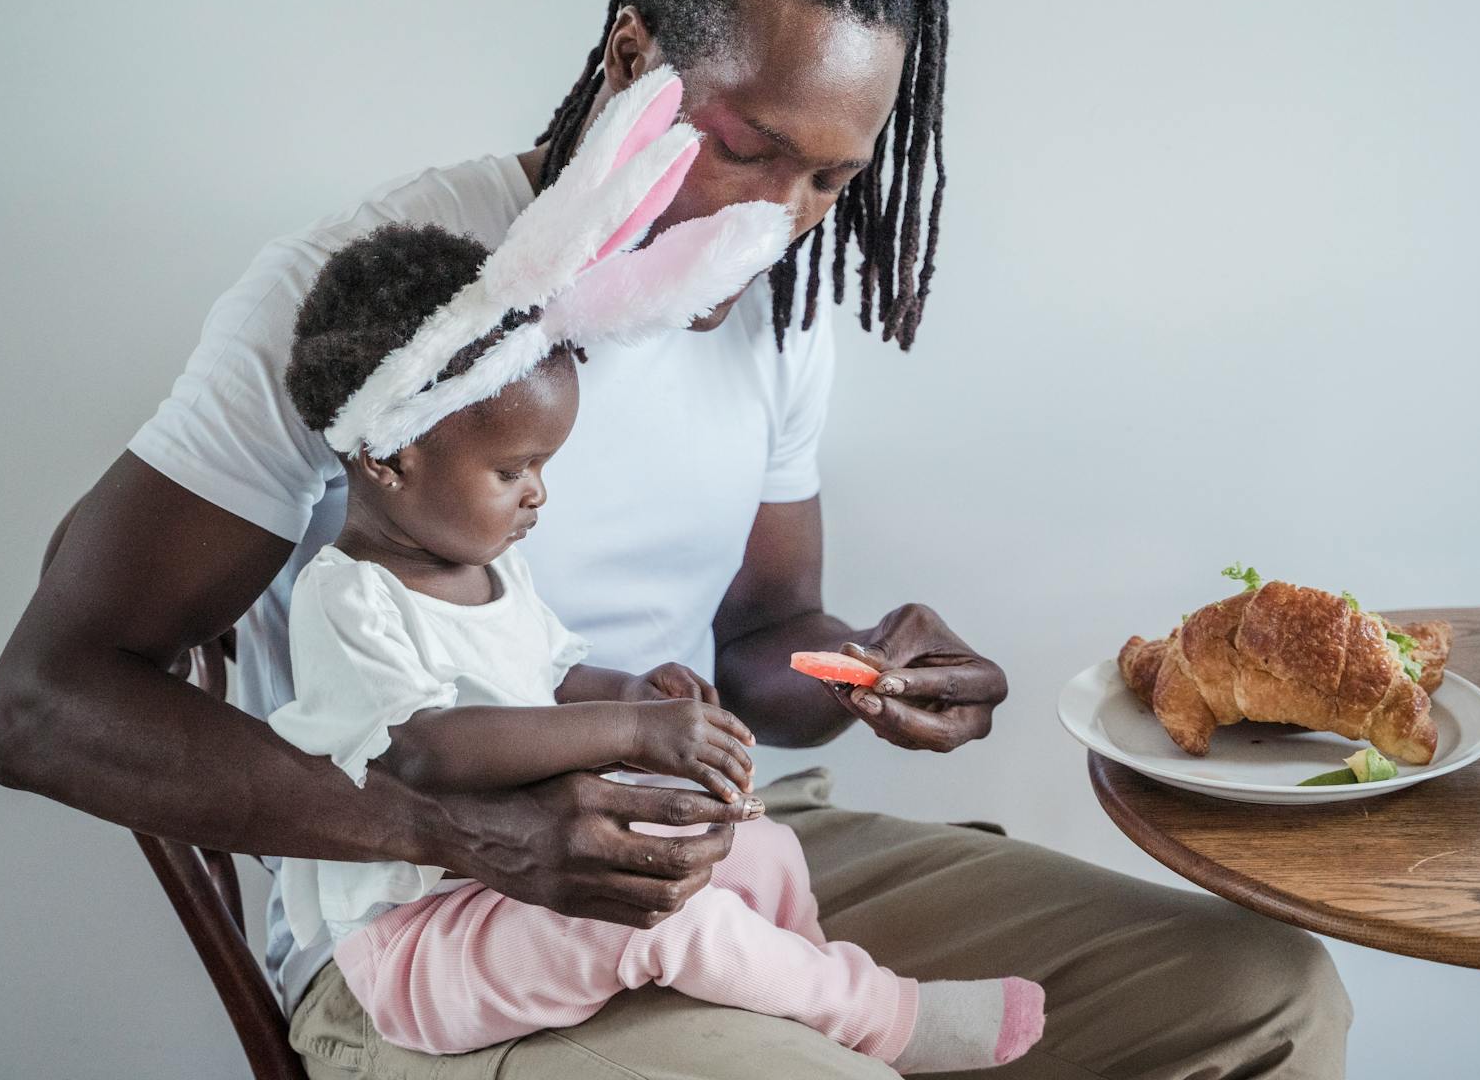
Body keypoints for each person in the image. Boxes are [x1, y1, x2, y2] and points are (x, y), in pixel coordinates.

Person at [0, 0, 1351, 1080]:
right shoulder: (375, 299)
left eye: (830, 180)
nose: (782, 220)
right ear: (634, 57)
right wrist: (452, 830)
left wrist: (861, 665)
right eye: (748, 150)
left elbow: (760, 636)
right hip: (434, 929)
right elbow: (47, 706)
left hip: (723, 853)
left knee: (1263, 990)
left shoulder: (771, 316)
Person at [267, 141, 1046, 1068]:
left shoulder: (493, 573)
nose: (538, 497)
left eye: (544, 468)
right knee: (649, 924)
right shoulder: (347, 599)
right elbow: (427, 747)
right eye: (513, 471)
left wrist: (637, 692)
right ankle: (885, 1020)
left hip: (517, 889)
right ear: (390, 458)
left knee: (763, 855)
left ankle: (796, 1003)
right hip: (421, 941)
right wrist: (630, 735)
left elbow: (552, 677)